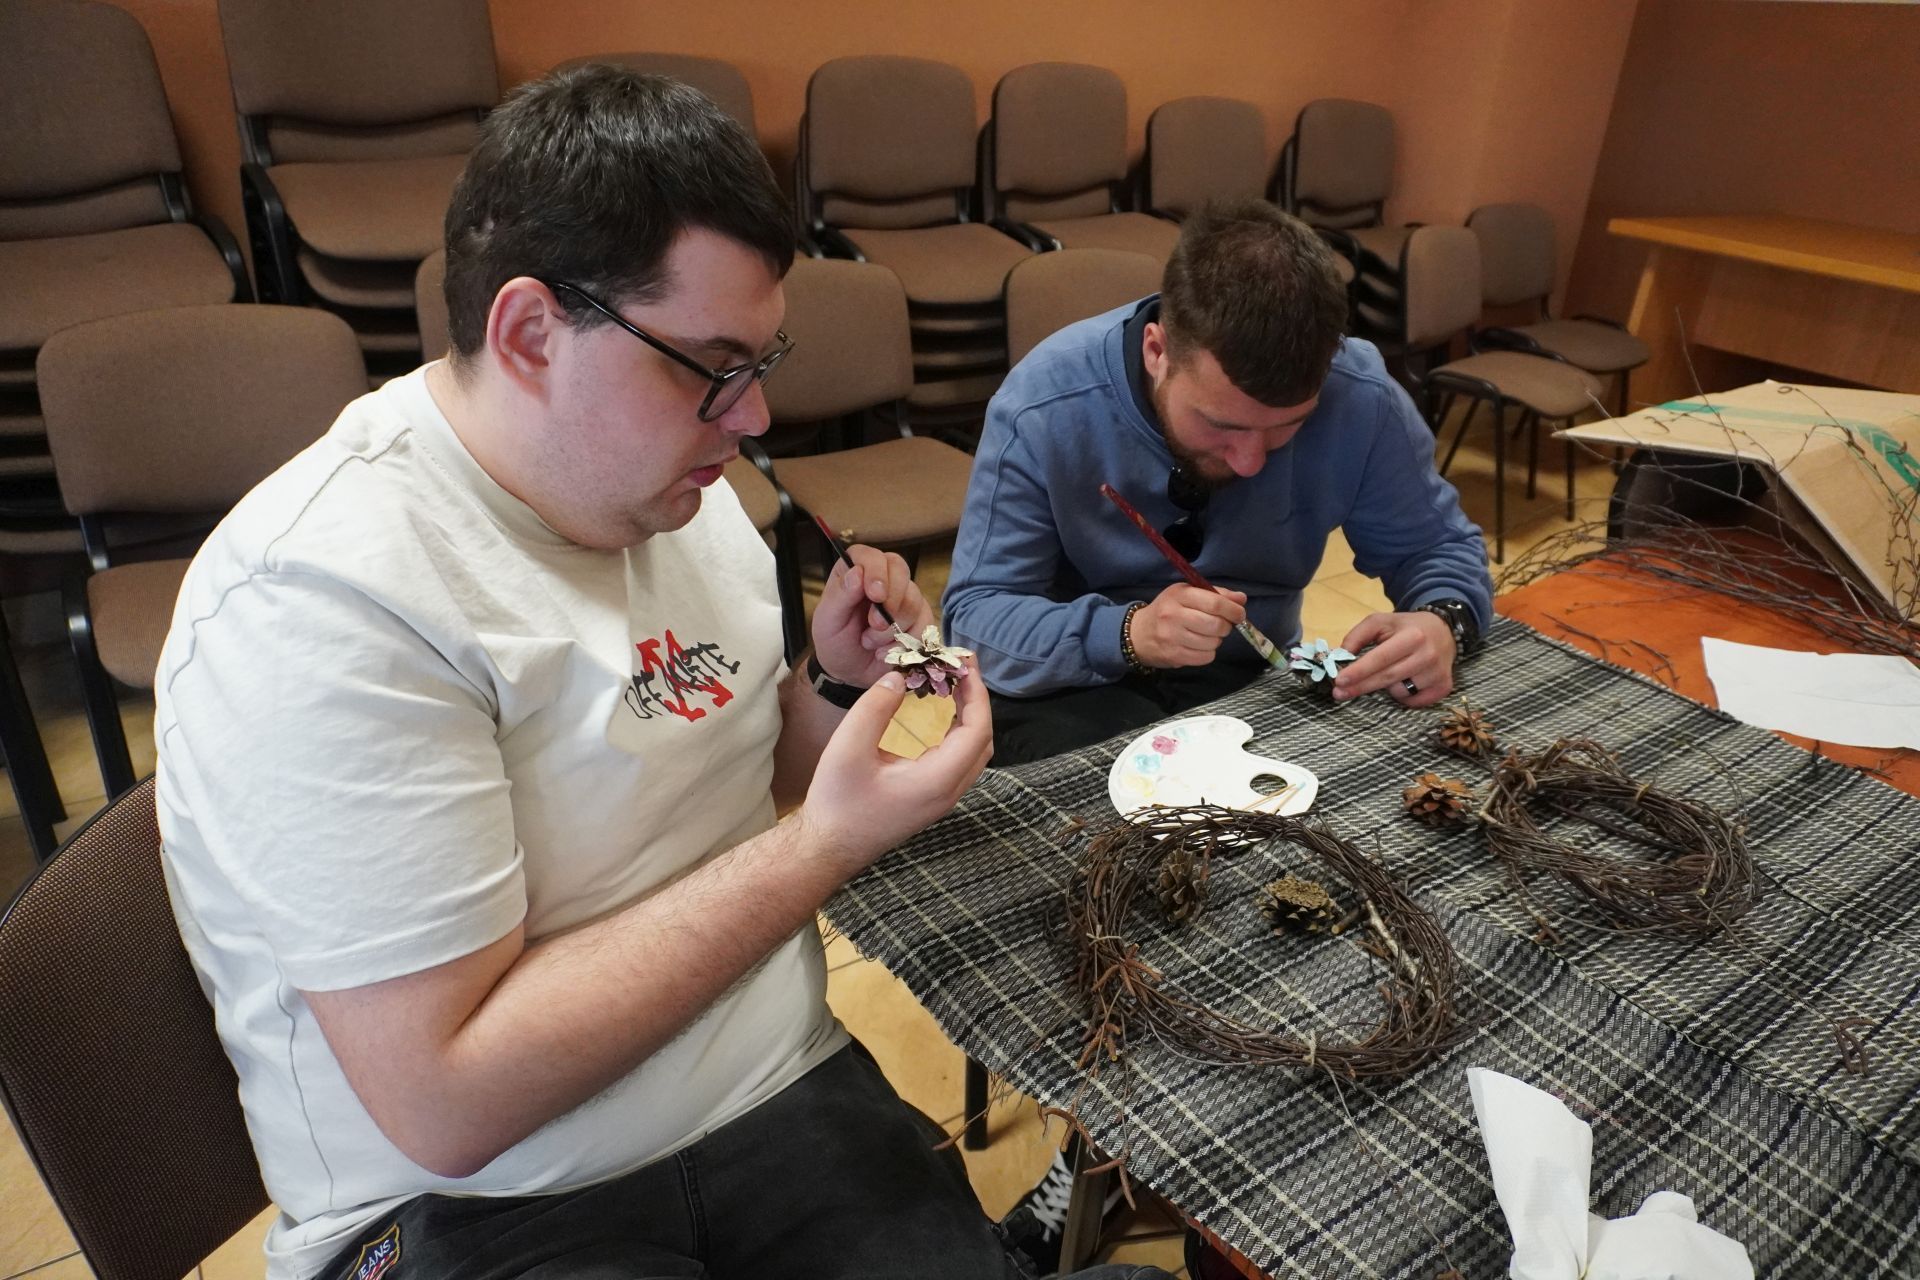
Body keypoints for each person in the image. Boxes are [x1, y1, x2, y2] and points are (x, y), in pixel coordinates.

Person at [155, 66, 1167, 1280]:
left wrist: (833, 686)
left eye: (763, 358)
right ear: (530, 333)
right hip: (480, 1203)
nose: (754, 417)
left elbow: (747, 763)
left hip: (769, 1095)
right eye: (708, 363)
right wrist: (820, 848)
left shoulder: (673, 494)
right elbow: (449, 1102)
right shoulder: (321, 597)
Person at [942, 200, 1494, 768]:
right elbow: (977, 623)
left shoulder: (1360, 398)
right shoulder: (1045, 404)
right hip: (1067, 690)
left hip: (1245, 678)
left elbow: (1436, 549)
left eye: (1287, 427)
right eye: (1221, 426)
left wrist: (1442, 620)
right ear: (1157, 352)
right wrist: (1128, 633)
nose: (1250, 461)